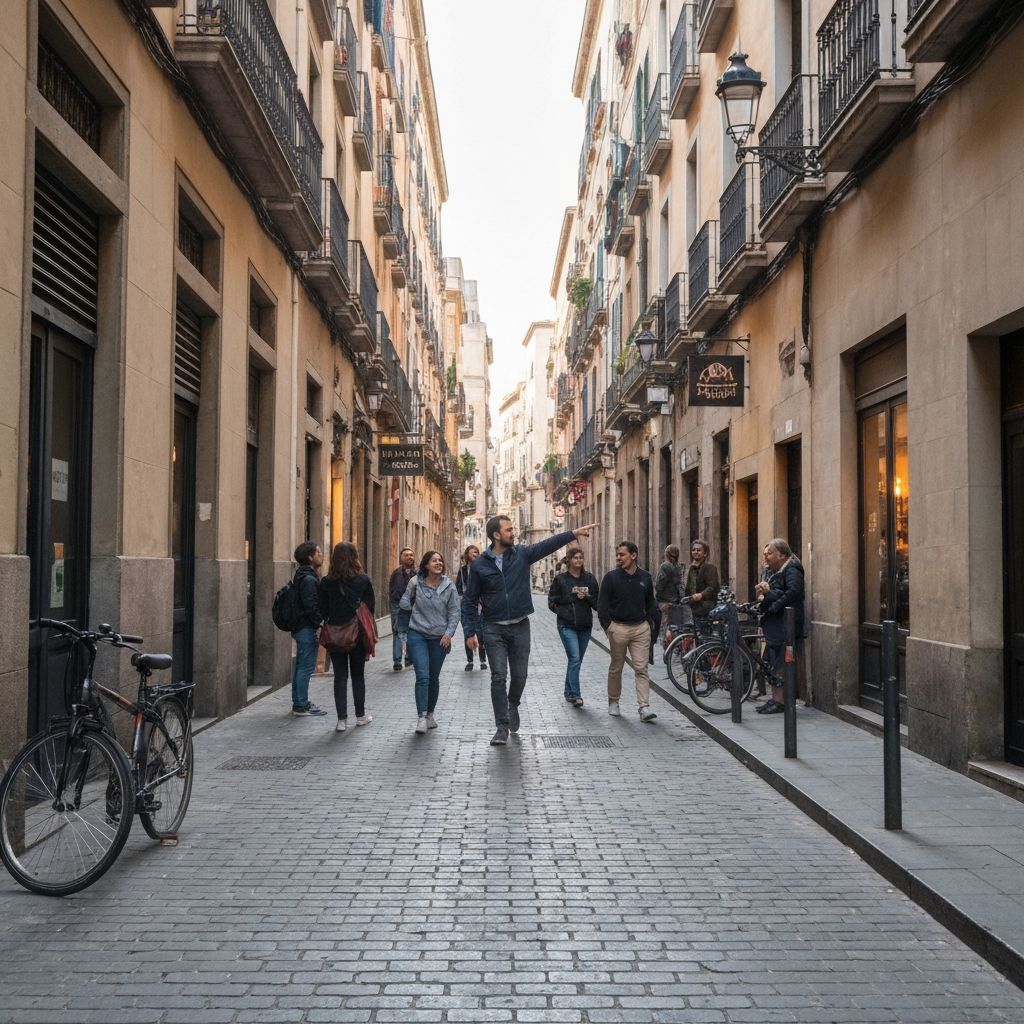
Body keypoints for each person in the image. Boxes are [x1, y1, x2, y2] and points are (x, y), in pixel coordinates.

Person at [463, 514, 597, 746]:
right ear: (496, 535)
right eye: (508, 530)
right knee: (498, 677)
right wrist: (469, 632)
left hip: (520, 625)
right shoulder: (479, 565)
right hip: (493, 627)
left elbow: (548, 545)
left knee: (520, 675)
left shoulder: (522, 555)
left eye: (513, 529)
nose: (513, 533)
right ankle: (501, 727)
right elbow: (470, 600)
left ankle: (513, 703)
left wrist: (573, 533)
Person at [598, 541, 659, 722]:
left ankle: (644, 707)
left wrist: (649, 624)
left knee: (641, 668)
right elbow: (602, 605)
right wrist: (608, 626)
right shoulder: (611, 578)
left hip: (640, 628)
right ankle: (614, 702)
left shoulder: (645, 577)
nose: (618, 558)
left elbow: (650, 602)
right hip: (618, 628)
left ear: (633, 555)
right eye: (617, 555)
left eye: (622, 555)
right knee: (616, 667)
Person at [401, 550, 461, 734]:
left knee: (433, 677)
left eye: (440, 560)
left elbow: (454, 612)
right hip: (417, 634)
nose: (438, 563)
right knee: (423, 676)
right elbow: (403, 605)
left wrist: (448, 633)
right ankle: (421, 716)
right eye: (434, 560)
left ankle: (430, 714)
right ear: (426, 564)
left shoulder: (449, 586)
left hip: (439, 638)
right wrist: (404, 636)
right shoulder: (415, 583)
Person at [319, 541, 375, 731]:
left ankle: (341, 720)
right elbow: (370, 608)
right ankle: (360, 716)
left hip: (335, 635)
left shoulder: (326, 582)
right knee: (358, 676)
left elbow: (322, 609)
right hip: (357, 634)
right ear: (355, 557)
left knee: (340, 676)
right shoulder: (363, 580)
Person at [753, 538, 807, 715]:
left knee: (781, 662)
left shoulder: (792, 569)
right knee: (775, 660)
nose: (765, 557)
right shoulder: (772, 571)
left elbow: (793, 592)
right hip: (775, 623)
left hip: (787, 623)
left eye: (769, 554)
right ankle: (777, 698)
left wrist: (774, 603)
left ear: (781, 554)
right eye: (764, 554)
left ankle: (781, 700)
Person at [547, 546, 599, 708]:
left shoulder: (589, 579)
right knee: (575, 659)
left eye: (580, 557)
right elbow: (552, 601)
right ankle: (576, 695)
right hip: (566, 624)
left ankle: (568, 691)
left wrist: (587, 596)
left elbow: (597, 603)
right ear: (569, 560)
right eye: (575, 558)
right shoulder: (561, 580)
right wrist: (566, 605)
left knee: (576, 660)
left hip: (585, 625)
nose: (578, 560)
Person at [290, 541, 327, 717]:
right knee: (305, 666)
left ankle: (299, 701)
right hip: (306, 628)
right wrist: (319, 624)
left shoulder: (302, 576)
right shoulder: (309, 579)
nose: (321, 555)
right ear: (310, 557)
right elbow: (311, 606)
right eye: (318, 553)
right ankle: (301, 705)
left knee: (301, 665)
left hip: (301, 626)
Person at [456, 545, 487, 671]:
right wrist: (461, 597)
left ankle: (482, 660)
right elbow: (458, 585)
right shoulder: (463, 570)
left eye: (477, 552)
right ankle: (470, 661)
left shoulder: (482, 569)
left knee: (481, 633)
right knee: (467, 632)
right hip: (466, 604)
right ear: (467, 554)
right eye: (473, 552)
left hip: (479, 604)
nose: (475, 554)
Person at [680, 540, 720, 624]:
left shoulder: (710, 567)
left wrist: (701, 595)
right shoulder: (689, 568)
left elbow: (713, 587)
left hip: (706, 607)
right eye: (693, 550)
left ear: (705, 553)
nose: (695, 552)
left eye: (698, 550)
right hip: (692, 608)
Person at [388, 548, 416, 670]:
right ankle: (397, 660)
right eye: (406, 555)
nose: (409, 557)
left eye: (411, 555)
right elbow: (392, 591)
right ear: (401, 557)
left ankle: (409, 658)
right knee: (398, 631)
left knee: (412, 631)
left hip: (413, 606)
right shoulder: (396, 573)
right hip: (398, 606)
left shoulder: (418, 573)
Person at [654, 544, 683, 647]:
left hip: (665, 602)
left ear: (667, 554)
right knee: (675, 628)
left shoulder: (665, 566)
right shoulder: (678, 567)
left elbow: (659, 586)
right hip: (676, 602)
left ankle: (667, 652)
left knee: (665, 628)